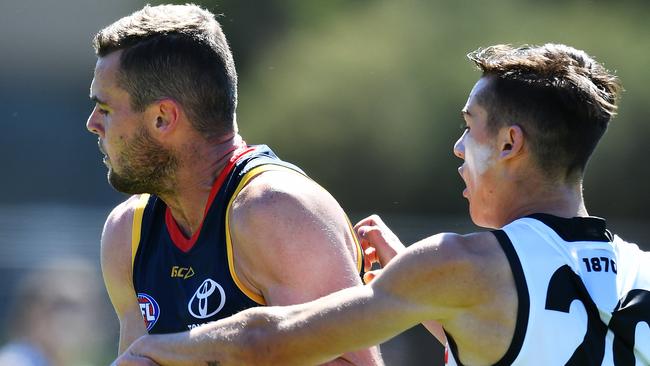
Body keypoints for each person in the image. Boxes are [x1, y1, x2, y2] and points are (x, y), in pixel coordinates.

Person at [113, 43, 650, 366]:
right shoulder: (639, 271)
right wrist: (420, 286)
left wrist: (157, 349)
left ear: (510, 144)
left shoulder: (458, 264)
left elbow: (269, 341)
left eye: (469, 129)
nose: (458, 148)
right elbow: (546, 341)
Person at [86, 4, 381, 365]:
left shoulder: (276, 210)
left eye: (106, 108)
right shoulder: (127, 232)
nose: (92, 123)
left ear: (163, 118)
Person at [0, 258, 103, 366]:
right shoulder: (13, 361)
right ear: (34, 312)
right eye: (63, 305)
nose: (71, 319)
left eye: (84, 307)